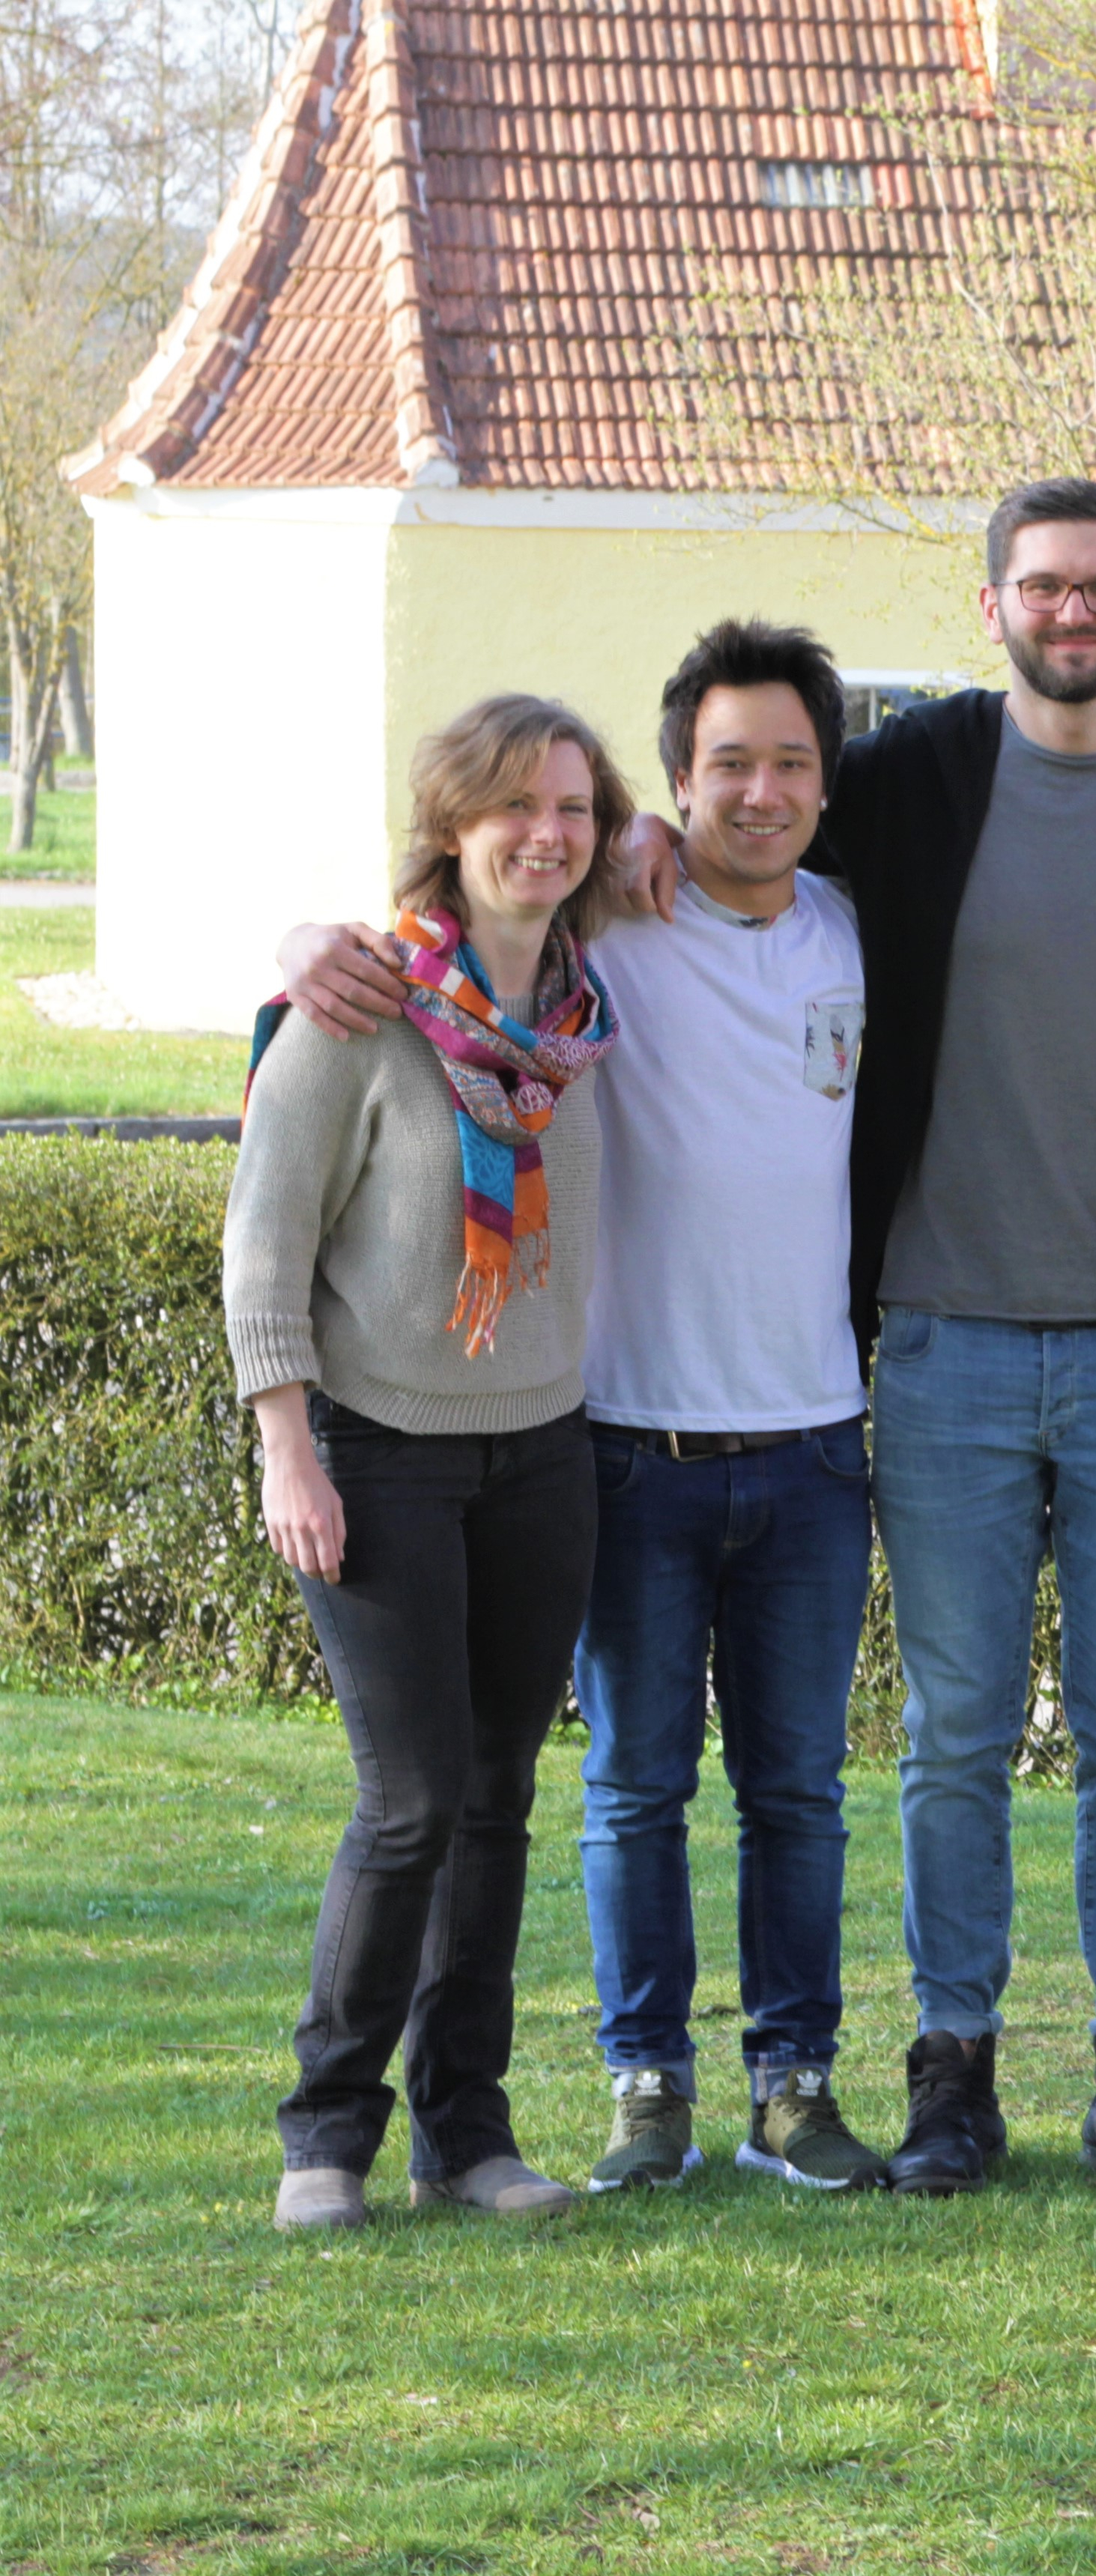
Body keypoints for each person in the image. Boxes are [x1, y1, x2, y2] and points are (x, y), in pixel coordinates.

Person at [281, 477, 1096, 2197]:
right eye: (1045, 584)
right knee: (951, 1734)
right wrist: (313, 947)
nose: (1076, 610)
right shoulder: (910, 782)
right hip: (943, 1347)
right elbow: (612, 871)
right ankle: (947, 2065)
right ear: (994, 608)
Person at [227, 695, 630, 2231]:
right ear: (451, 827)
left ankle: (468, 2136)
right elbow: (264, 1239)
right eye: (513, 806)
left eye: (574, 809)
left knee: (499, 1797)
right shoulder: (363, 1007)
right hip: (379, 1452)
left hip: (542, 1449)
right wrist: (290, 1451)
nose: (546, 833)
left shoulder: (585, 1017)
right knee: (409, 1801)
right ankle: (325, 2135)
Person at [566, 622, 885, 2198]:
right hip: (630, 1446)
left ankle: (795, 2087)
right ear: (677, 778)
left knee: (798, 1793)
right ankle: (645, 2089)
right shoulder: (605, 927)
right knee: (635, 1787)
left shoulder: (857, 930)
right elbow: (421, 929)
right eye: (728, 765)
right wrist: (301, 943)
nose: (760, 793)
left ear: (828, 783)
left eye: (790, 764)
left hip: (818, 1450)